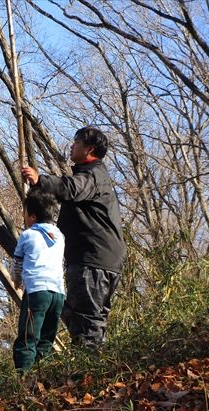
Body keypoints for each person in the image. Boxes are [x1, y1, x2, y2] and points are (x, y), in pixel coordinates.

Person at [22, 126, 125, 349]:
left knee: (85, 324)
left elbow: (70, 188)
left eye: (77, 142)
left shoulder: (92, 176)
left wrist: (41, 180)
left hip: (92, 260)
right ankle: (97, 372)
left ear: (90, 149)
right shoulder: (93, 176)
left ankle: (90, 378)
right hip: (101, 259)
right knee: (90, 320)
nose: (72, 145)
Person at [11, 189, 65, 372]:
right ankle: (44, 375)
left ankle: (23, 379)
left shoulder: (28, 235)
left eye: (25, 213)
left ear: (33, 216)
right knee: (46, 338)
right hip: (58, 293)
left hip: (36, 292)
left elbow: (17, 263)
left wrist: (16, 280)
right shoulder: (60, 236)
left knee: (28, 338)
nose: (24, 217)